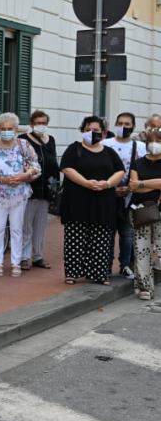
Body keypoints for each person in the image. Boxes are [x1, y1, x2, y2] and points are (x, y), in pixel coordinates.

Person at [59, 116, 124, 285]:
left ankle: (99, 273)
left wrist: (108, 183)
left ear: (103, 133)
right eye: (88, 129)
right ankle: (72, 272)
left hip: (103, 202)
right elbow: (67, 168)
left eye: (95, 130)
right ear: (83, 130)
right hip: (77, 201)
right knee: (75, 237)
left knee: (101, 239)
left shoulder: (109, 152)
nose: (91, 133)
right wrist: (86, 183)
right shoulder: (74, 149)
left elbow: (120, 171)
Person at [0, 112, 40, 277]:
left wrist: (24, 175)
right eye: (3, 128)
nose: (6, 131)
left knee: (17, 228)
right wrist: (2, 179)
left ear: (16, 129)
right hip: (0, 193)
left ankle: (16, 262)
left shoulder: (24, 145)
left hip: (19, 192)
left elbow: (35, 166)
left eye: (10, 128)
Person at [102, 112, 145, 280]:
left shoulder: (140, 147)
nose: (123, 127)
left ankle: (125, 265)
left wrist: (131, 187)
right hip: (107, 195)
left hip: (130, 197)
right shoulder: (105, 144)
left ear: (133, 126)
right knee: (107, 233)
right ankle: (105, 265)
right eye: (120, 123)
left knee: (127, 233)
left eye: (127, 124)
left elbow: (143, 170)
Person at [18, 110, 59, 270]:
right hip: (30, 188)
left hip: (46, 189)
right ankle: (23, 257)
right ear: (31, 124)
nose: (41, 126)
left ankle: (38, 256)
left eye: (43, 123)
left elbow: (53, 160)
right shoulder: (23, 140)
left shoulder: (51, 140)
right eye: (38, 123)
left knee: (41, 225)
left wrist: (55, 188)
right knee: (26, 224)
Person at [127, 126, 161, 300]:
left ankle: (155, 271)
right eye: (151, 141)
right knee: (142, 249)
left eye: (158, 141)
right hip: (141, 211)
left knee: (158, 251)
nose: (154, 144)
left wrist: (142, 183)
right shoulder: (138, 162)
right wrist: (148, 184)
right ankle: (144, 286)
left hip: (159, 209)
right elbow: (133, 186)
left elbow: (139, 184)